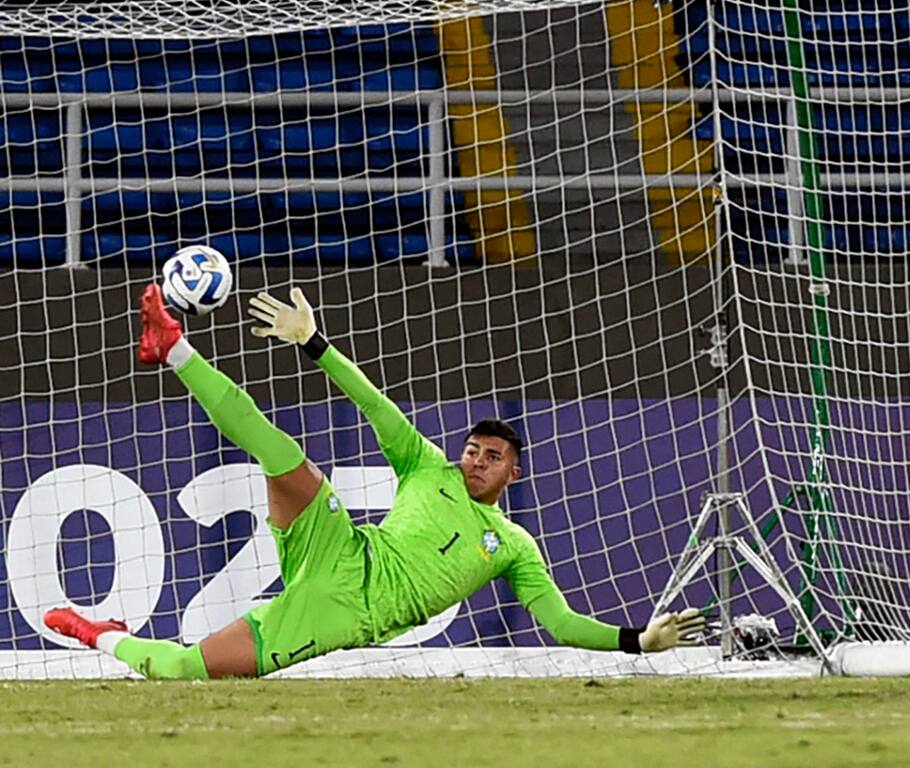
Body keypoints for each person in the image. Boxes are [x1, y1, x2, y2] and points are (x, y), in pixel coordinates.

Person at [45, 283, 705, 678]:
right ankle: (173, 347)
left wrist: (638, 641)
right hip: (342, 546)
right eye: (472, 449)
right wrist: (313, 342)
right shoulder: (427, 464)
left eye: (491, 456)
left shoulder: (512, 545)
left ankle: (97, 631)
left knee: (183, 669)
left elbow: (559, 623)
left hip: (344, 613)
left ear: (514, 471)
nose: (476, 460)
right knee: (281, 451)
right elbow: (373, 402)